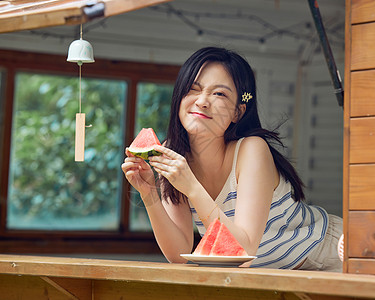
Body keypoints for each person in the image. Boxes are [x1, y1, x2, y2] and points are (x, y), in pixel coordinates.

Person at [121, 47, 342, 272]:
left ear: (238, 112)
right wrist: (148, 193)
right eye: (193, 89)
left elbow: (243, 253)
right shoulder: (173, 154)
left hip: (330, 256)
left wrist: (193, 188)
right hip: (279, 275)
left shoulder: (251, 150)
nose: (202, 101)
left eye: (219, 94)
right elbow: (180, 254)